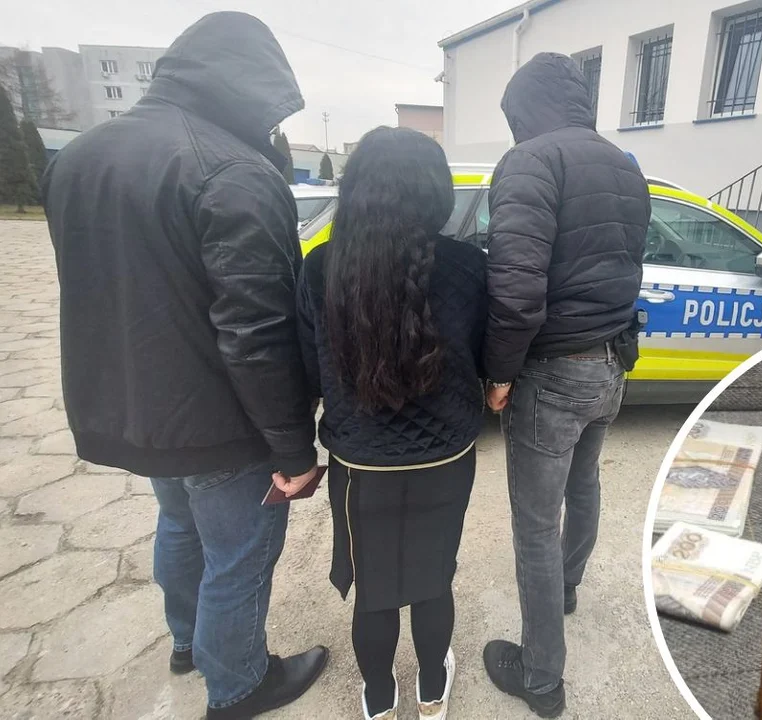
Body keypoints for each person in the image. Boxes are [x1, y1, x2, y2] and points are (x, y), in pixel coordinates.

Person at [40, 12, 327, 719]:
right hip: (220, 419)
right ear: (251, 84)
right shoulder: (233, 171)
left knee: (179, 525)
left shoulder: (78, 157)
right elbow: (256, 330)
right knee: (239, 554)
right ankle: (238, 685)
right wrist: (293, 447)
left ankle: (187, 642)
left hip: (134, 405)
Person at [287, 126, 488, 720]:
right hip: (446, 457)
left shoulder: (321, 267)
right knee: (433, 575)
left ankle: (379, 698)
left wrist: (294, 448)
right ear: (435, 190)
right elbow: (484, 354)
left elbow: (306, 369)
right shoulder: (467, 267)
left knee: (374, 587)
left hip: (360, 462)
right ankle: (432, 690)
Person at [480, 52, 650, 717]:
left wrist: (499, 370)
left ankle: (541, 677)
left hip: (553, 369)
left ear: (526, 110)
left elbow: (515, 288)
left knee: (533, 524)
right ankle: (569, 586)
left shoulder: (530, 161)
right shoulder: (624, 166)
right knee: (584, 485)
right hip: (612, 362)